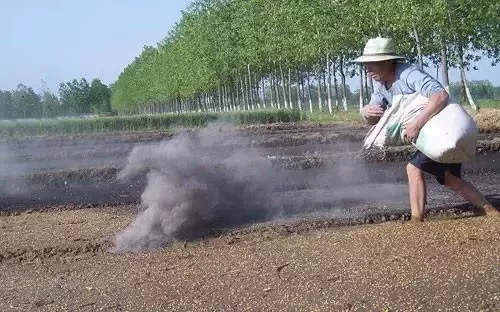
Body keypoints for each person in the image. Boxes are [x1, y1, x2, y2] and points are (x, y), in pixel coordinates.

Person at [354, 37, 500, 222]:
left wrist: (416, 123)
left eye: (372, 64)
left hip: (439, 128)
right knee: (449, 179)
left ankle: (417, 221)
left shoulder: (409, 74)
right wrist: (365, 112)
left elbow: (440, 95)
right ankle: (491, 213)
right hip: (434, 136)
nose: (368, 69)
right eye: (366, 64)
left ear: (388, 61)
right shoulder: (380, 83)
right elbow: (374, 114)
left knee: (413, 168)